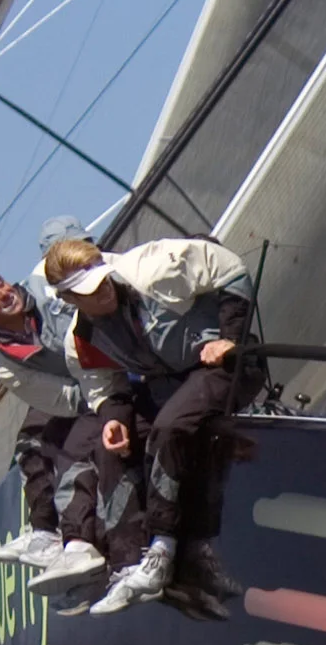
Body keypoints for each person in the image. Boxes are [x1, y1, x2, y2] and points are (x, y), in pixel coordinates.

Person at [47, 234, 257, 614]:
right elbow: (104, 386)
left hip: (224, 366)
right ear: (69, 301)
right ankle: (127, 566)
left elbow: (231, 269)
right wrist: (114, 419)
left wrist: (230, 339)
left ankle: (163, 548)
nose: (102, 292)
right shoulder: (80, 340)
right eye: (88, 292)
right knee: (107, 447)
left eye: (102, 280)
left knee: (169, 428)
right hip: (168, 384)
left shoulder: (154, 266)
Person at [0, 218, 132, 593]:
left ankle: (78, 544)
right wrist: (94, 396)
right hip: (85, 390)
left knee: (74, 451)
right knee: (33, 442)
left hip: (120, 370)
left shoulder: (47, 283)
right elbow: (63, 401)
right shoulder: (8, 364)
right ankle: (46, 535)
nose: (1, 293)